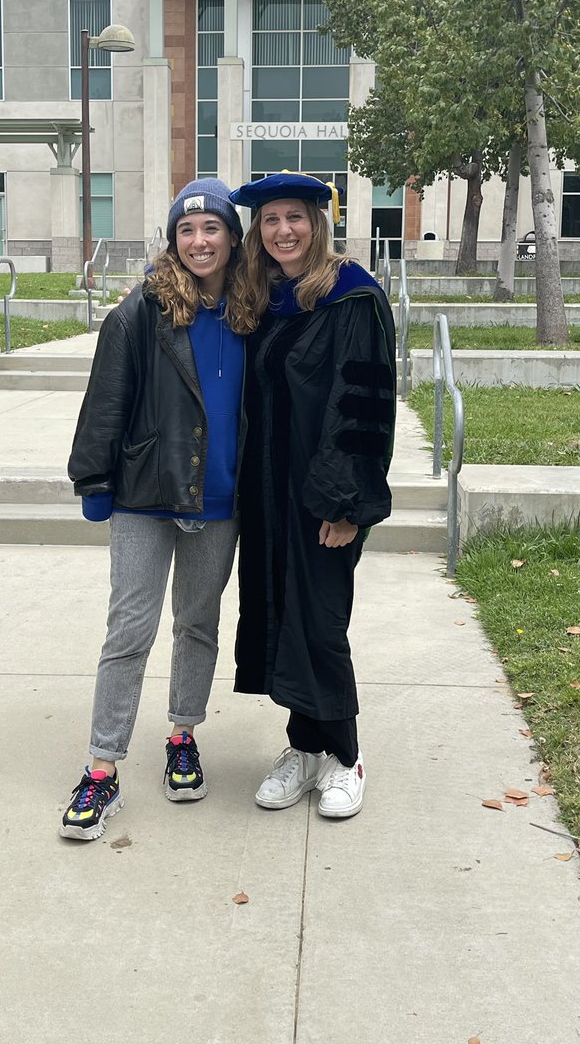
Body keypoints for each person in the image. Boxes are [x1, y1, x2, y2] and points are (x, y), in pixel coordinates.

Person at [61, 178, 252, 841]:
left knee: (197, 624)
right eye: (186, 230)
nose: (199, 241)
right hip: (145, 495)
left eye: (212, 228)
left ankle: (181, 736)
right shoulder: (141, 311)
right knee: (129, 631)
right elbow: (107, 395)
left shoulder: (255, 310)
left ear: (232, 237)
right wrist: (94, 478)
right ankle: (101, 768)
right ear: (173, 241)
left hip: (222, 499)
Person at [231, 172, 396, 820]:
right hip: (269, 494)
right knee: (284, 617)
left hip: (326, 495)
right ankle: (303, 748)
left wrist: (345, 505)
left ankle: (345, 756)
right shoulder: (265, 297)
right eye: (270, 221)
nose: (283, 231)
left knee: (322, 623)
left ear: (317, 223)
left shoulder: (352, 298)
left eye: (294, 217)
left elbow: (364, 408)